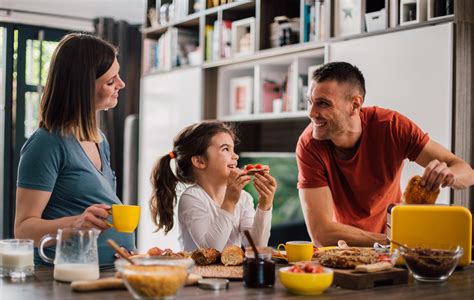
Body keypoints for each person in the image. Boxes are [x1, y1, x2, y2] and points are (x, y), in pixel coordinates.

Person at [297, 62, 474, 247]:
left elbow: (467, 173)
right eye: (310, 101)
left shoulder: (392, 127)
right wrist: (395, 240)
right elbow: (321, 234)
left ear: (355, 105)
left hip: (394, 251)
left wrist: (450, 175)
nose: (311, 113)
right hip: (346, 249)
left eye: (323, 103)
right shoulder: (309, 145)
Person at [14, 33, 134, 267]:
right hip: (64, 279)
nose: (121, 84)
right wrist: (75, 224)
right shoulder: (46, 143)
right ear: (83, 87)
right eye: (111, 81)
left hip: (108, 273)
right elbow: (23, 229)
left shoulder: (99, 140)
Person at [149, 121, 277, 252]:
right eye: (225, 149)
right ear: (200, 161)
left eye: (233, 149)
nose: (236, 156)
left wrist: (264, 205)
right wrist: (230, 201)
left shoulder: (244, 198)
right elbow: (210, 250)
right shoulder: (192, 198)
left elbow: (255, 247)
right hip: (199, 272)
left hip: (232, 272)